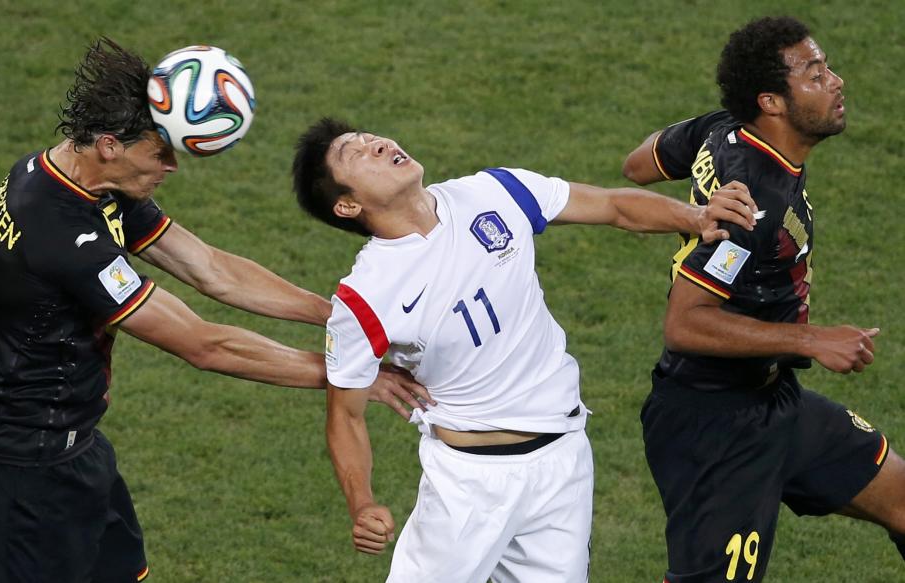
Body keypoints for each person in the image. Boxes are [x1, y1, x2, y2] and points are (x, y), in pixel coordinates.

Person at [0, 38, 427, 583]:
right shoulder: (61, 235)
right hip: (21, 477)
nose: (173, 166)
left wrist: (340, 315)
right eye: (161, 152)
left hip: (77, 453)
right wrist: (353, 377)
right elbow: (205, 345)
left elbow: (209, 268)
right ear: (109, 144)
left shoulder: (78, 179)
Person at [292, 117, 757, 582]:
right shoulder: (365, 296)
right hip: (468, 487)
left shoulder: (495, 191)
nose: (377, 144)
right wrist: (363, 503)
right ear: (347, 205)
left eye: (371, 137)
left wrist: (694, 217)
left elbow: (613, 207)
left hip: (563, 461)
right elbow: (345, 415)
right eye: (355, 153)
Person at [621, 16, 905, 583]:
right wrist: (812, 339)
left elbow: (637, 165)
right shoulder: (754, 210)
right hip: (714, 429)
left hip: (776, 401)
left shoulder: (722, 128)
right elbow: (685, 323)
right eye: (817, 73)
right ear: (771, 101)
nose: (838, 81)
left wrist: (696, 204)